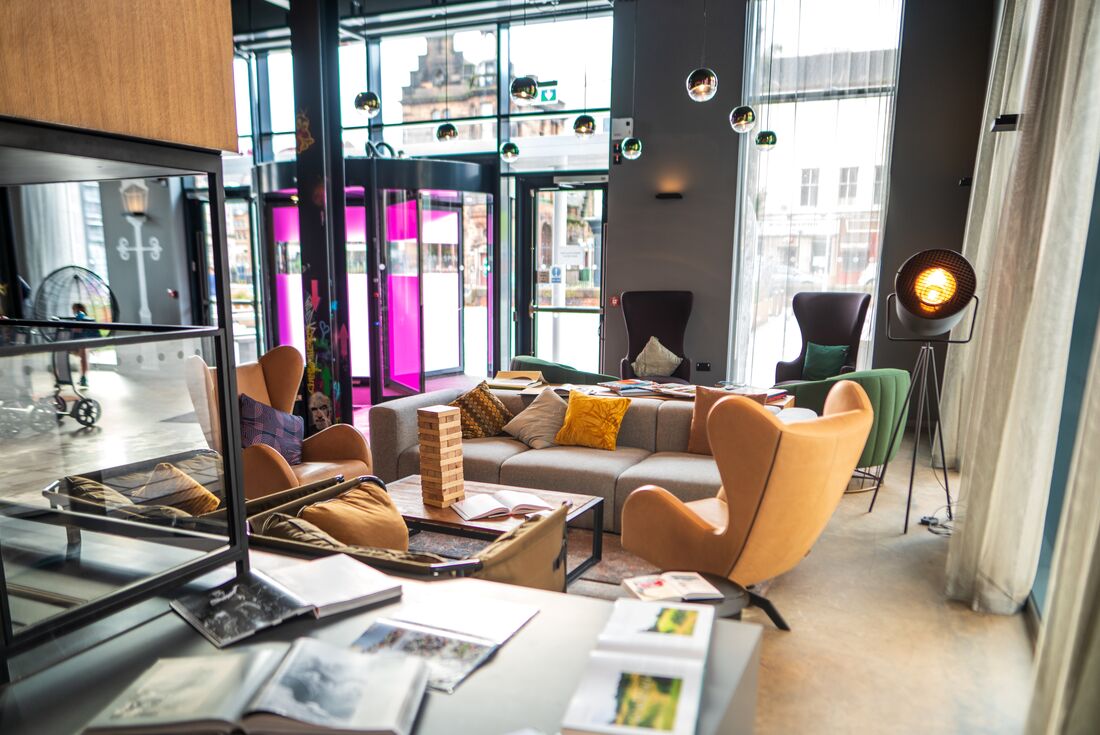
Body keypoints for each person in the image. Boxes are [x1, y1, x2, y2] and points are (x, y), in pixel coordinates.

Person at [71, 302, 92, 387]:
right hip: (81, 340)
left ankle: (83, 378)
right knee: (84, 359)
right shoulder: (82, 317)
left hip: (82, 340)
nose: (73, 311)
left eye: (74, 309)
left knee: (83, 359)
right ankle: (83, 377)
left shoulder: (81, 317)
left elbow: (78, 329)